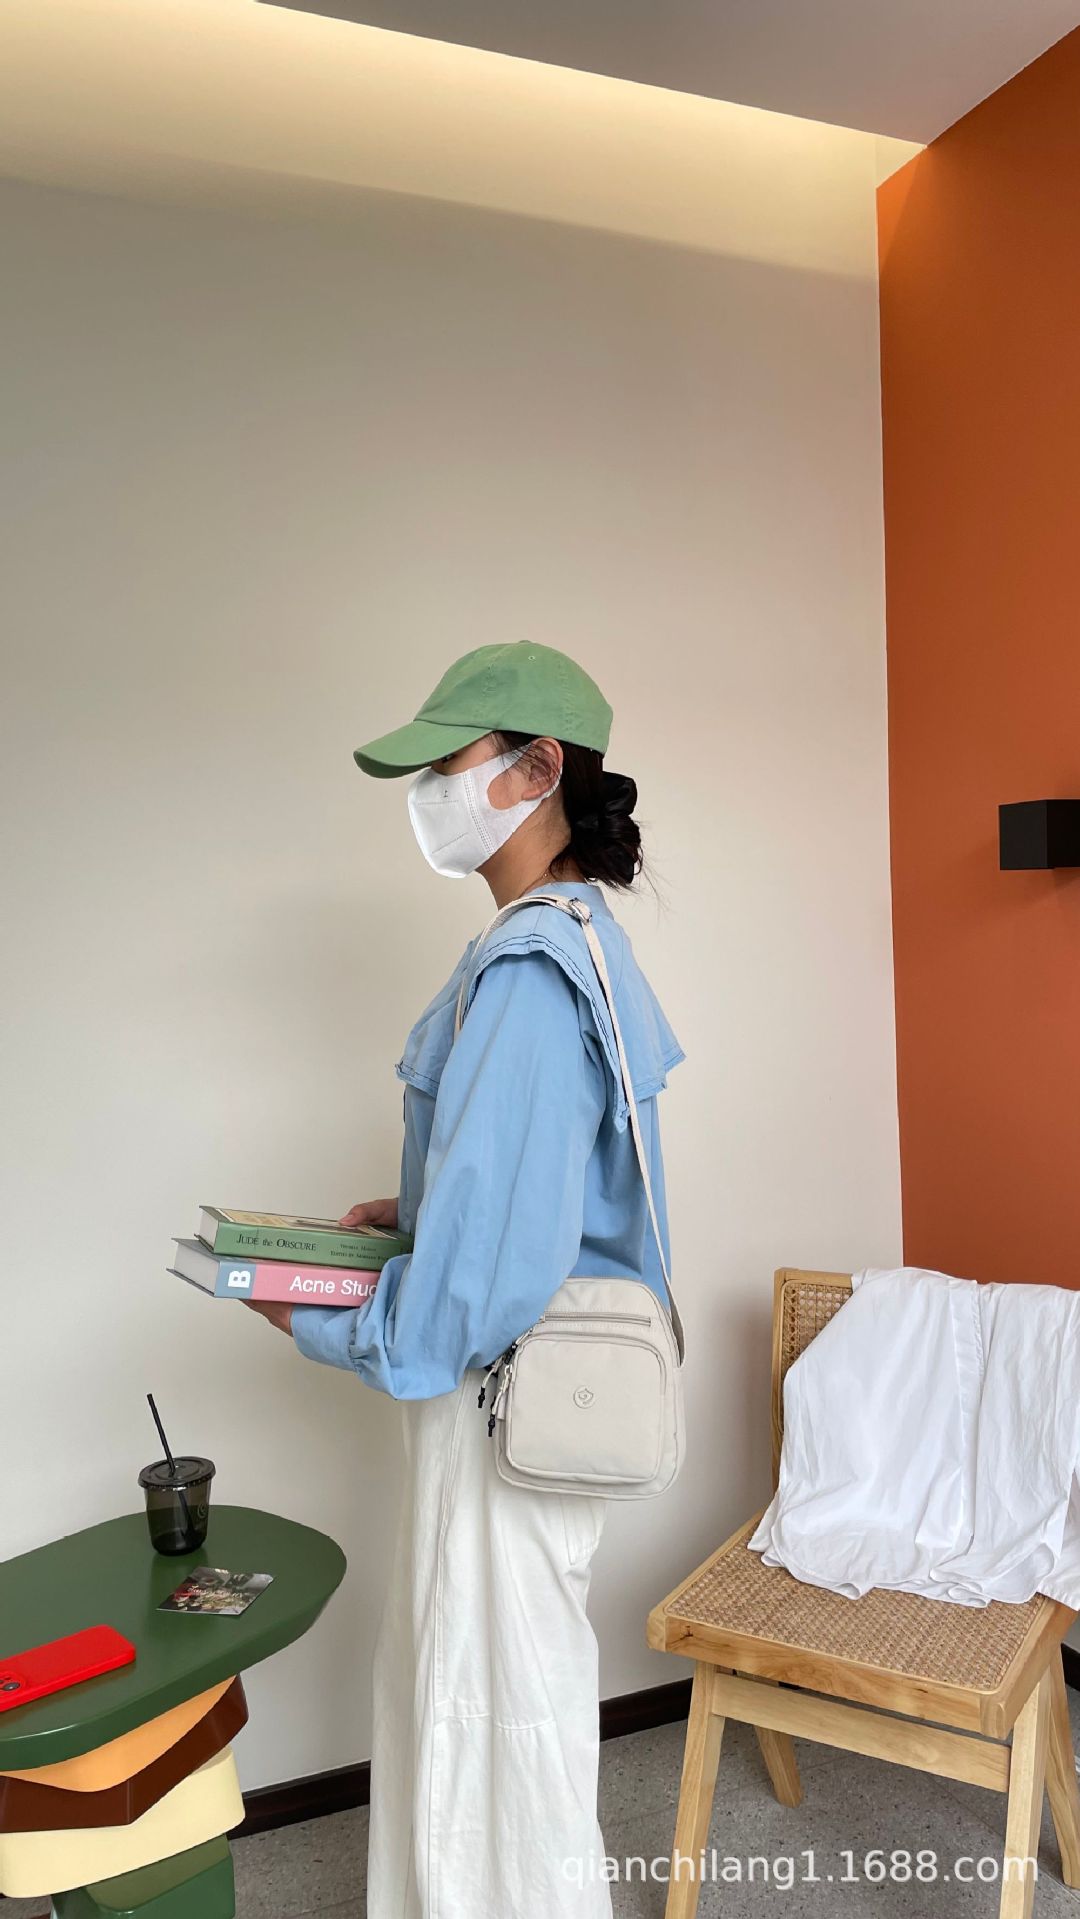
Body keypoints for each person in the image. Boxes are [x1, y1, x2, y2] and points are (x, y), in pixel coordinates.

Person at [247, 640, 684, 1918]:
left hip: (498, 1408)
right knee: (503, 1711)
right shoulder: (581, 937)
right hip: (542, 1401)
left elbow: (474, 1300)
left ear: (538, 770)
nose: (429, 792)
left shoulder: (529, 970)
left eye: (448, 762)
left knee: (485, 1733)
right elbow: (551, 1181)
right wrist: (428, 1202)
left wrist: (316, 1314)